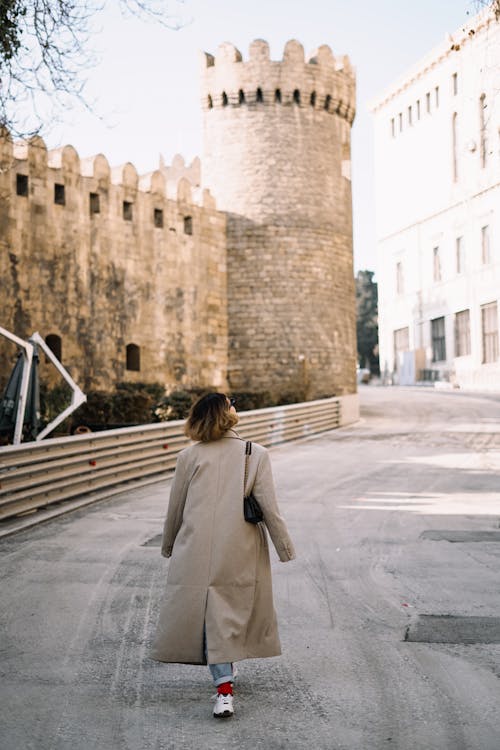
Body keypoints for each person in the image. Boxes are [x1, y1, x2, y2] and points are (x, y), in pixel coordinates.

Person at [151, 392, 296, 718]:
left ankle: (224, 685)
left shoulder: (189, 456)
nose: (235, 408)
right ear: (225, 413)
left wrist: (169, 544)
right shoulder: (254, 453)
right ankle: (224, 690)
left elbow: (176, 507)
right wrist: (284, 547)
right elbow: (270, 507)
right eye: (232, 404)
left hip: (195, 549)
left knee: (210, 615)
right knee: (228, 613)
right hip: (240, 547)